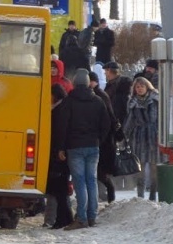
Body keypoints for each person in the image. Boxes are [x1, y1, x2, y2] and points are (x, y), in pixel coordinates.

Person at [56, 68, 111, 230]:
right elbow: (106, 124)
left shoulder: (68, 101)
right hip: (93, 146)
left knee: (79, 182)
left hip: (74, 147)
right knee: (91, 181)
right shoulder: (98, 101)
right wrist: (98, 139)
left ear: (74, 83)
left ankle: (81, 218)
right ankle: (92, 216)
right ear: (88, 83)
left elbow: (62, 126)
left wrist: (61, 148)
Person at [123, 76, 160, 201]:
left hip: (154, 136)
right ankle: (140, 196)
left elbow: (162, 118)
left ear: (147, 86)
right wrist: (123, 137)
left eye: (142, 86)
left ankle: (153, 195)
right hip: (139, 138)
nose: (139, 89)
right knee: (140, 168)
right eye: (137, 87)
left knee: (155, 167)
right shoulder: (133, 103)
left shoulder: (155, 100)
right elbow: (129, 121)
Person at [44, 84, 73, 230]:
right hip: (60, 153)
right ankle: (64, 217)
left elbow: (60, 132)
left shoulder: (60, 110)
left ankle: (63, 218)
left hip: (59, 154)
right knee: (59, 188)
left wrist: (60, 150)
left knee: (58, 188)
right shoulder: (62, 107)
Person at [89, 71, 118, 203]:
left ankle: (109, 194)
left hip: (103, 141)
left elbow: (108, 120)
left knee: (100, 172)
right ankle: (105, 195)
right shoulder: (99, 94)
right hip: (101, 139)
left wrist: (101, 138)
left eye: (91, 80)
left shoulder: (100, 95)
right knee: (98, 172)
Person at [103, 61, 132, 130]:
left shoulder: (124, 83)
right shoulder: (109, 84)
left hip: (121, 119)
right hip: (111, 119)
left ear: (110, 71)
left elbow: (124, 103)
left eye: (106, 71)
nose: (105, 73)